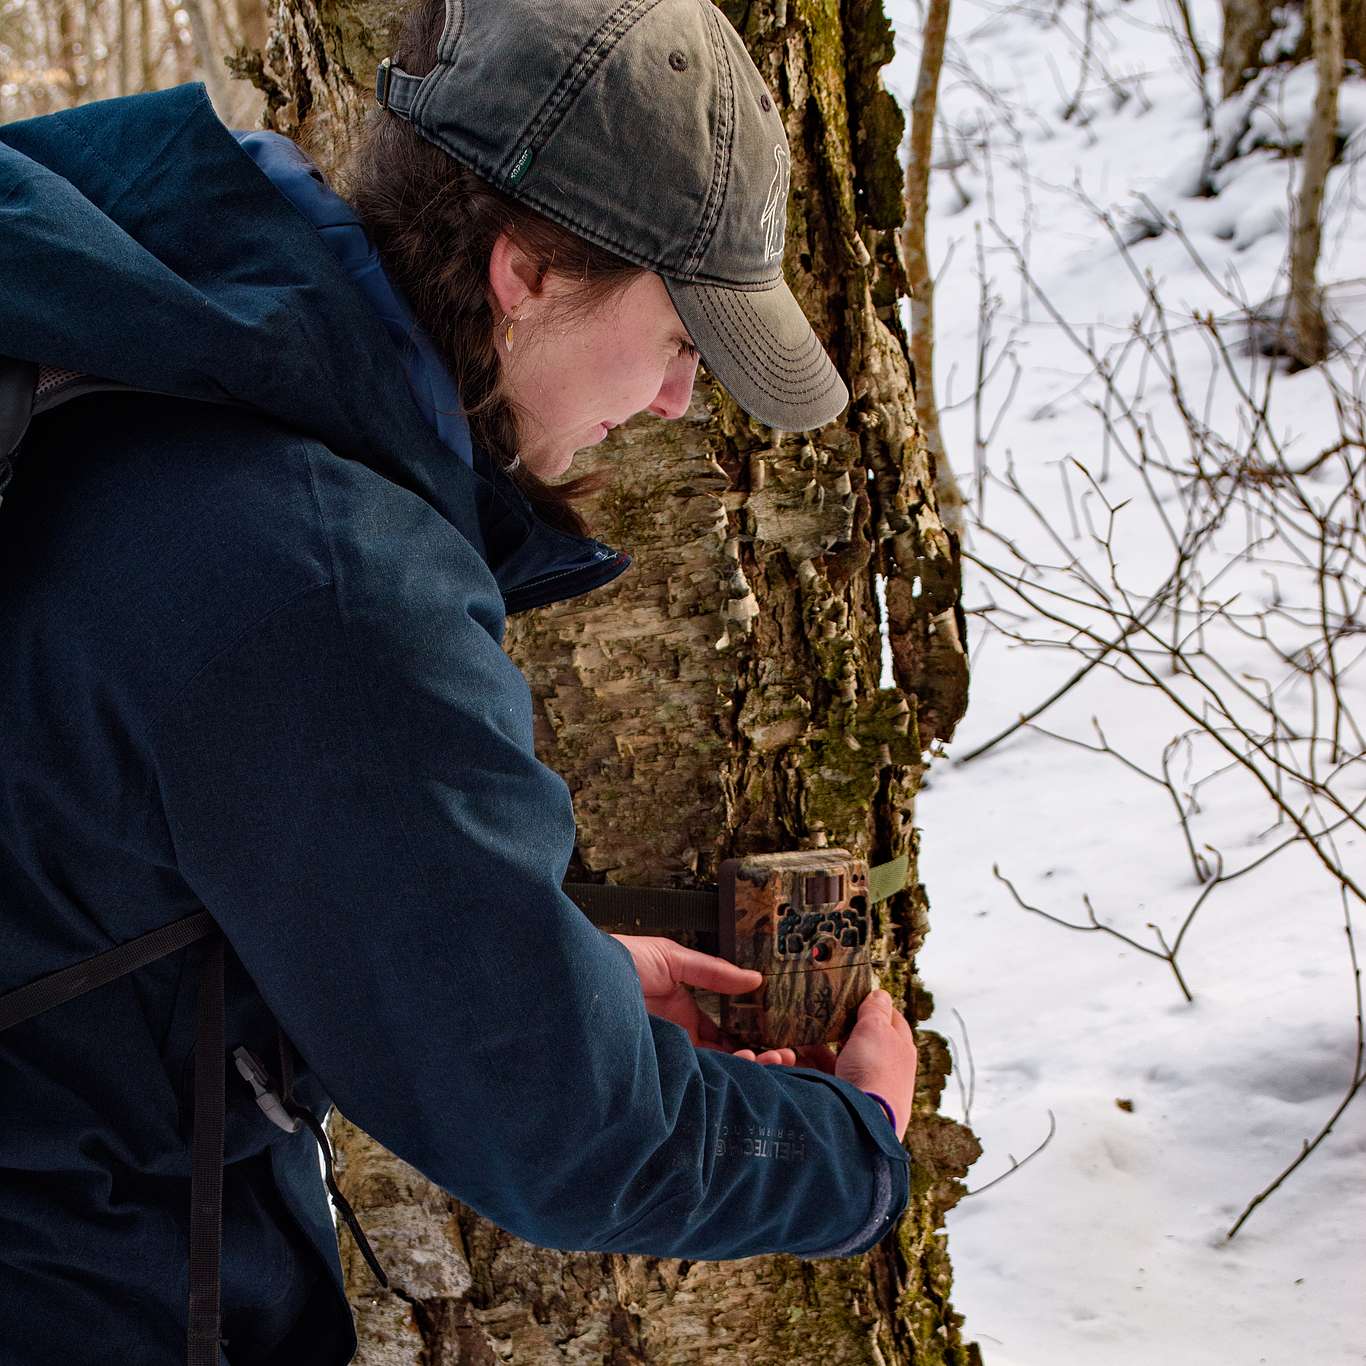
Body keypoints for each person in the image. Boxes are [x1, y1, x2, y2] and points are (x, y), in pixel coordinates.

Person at [0, 0, 919, 1360]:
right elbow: (561, 1124)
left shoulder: (168, 363)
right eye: (678, 336)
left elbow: (105, 873)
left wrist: (537, 968)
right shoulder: (331, 583)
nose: (678, 400)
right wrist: (851, 1147)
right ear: (528, 268)